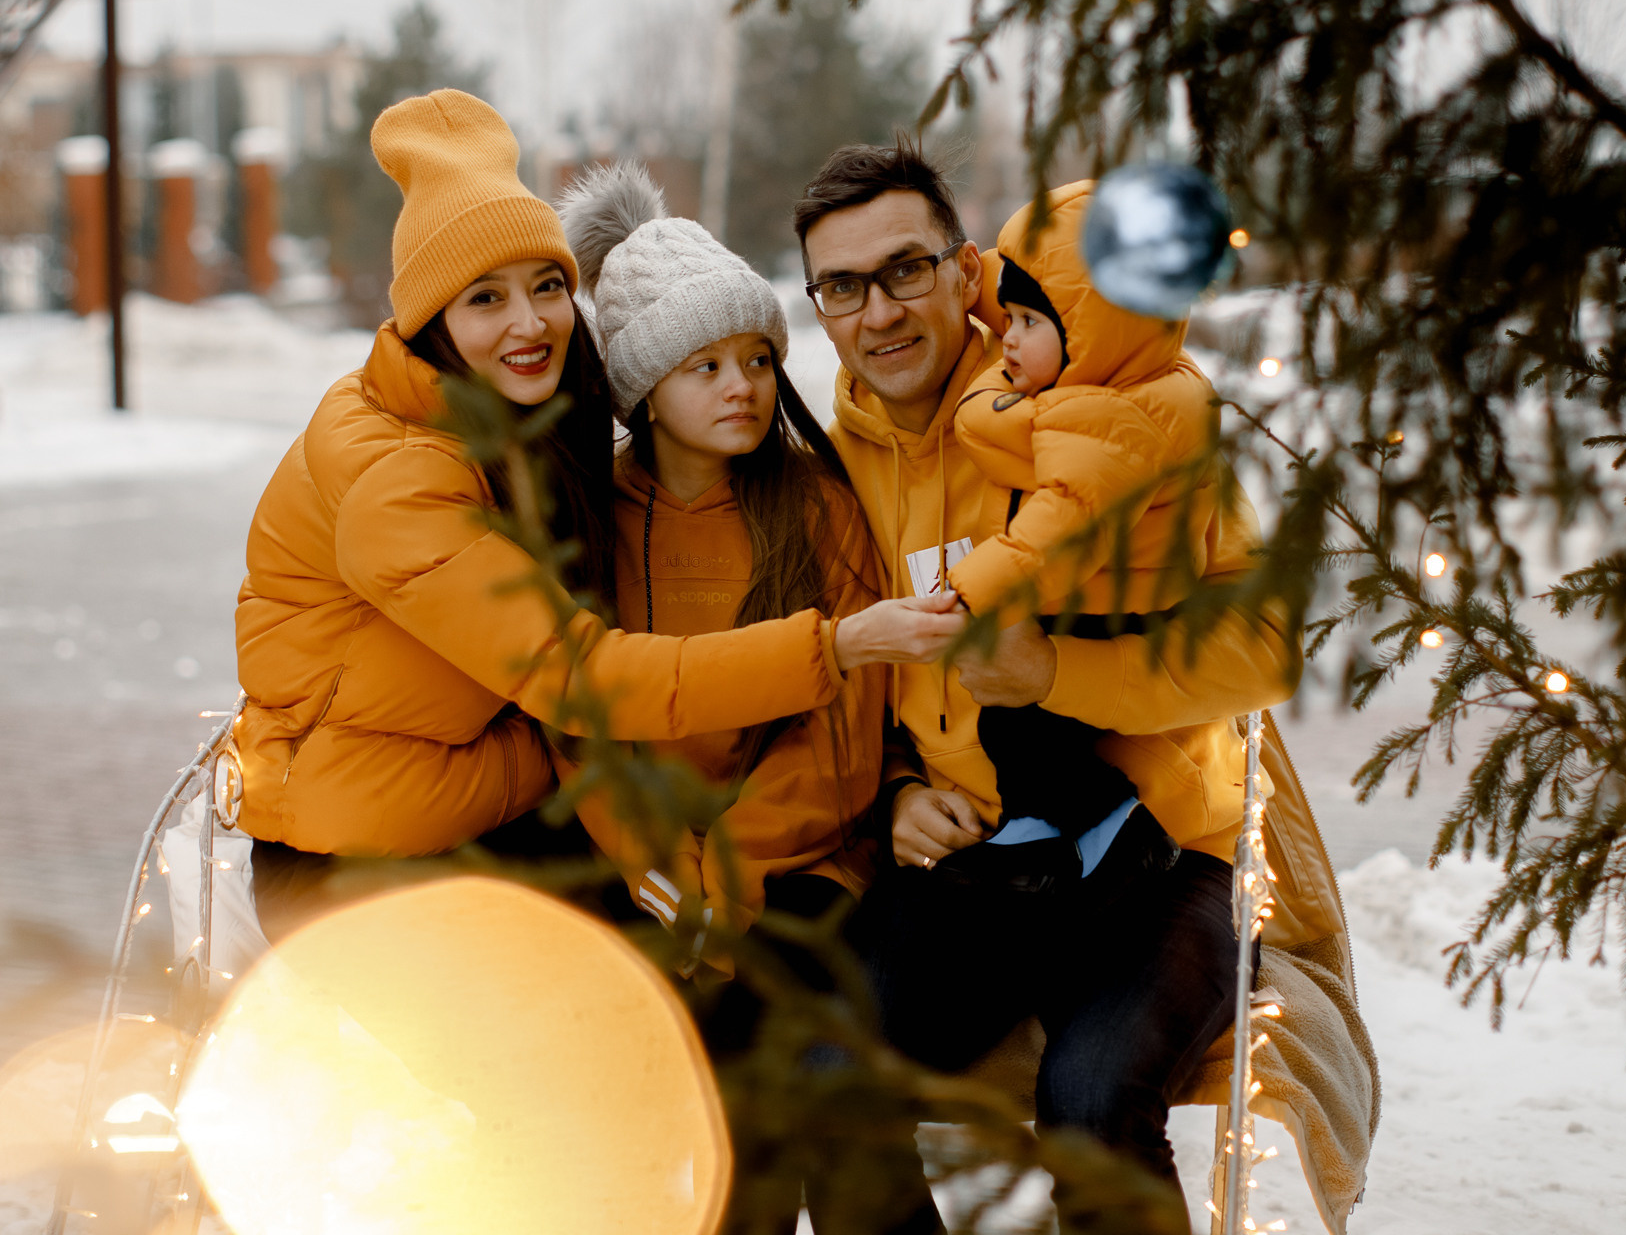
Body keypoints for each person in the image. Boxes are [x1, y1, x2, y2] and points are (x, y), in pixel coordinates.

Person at [225, 92, 961, 936]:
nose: (531, 321)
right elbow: (581, 684)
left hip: (479, 814)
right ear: (430, 320)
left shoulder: (520, 431)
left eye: (545, 286)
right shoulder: (399, 476)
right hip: (355, 859)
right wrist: (833, 645)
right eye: (485, 299)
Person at [792, 141, 1344, 1217]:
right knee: (819, 1080)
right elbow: (845, 681)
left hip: (1159, 845)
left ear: (965, 273)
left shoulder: (1111, 404)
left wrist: (1055, 670)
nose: (880, 312)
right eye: (842, 286)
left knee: (1090, 1098)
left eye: (905, 269)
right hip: (976, 861)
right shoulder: (832, 467)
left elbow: (1263, 644)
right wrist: (900, 790)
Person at [555, 162, 891, 954]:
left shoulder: (819, 507)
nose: (741, 386)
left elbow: (843, 729)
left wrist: (732, 874)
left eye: (757, 359)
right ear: (643, 389)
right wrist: (665, 870)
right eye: (705, 367)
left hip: (799, 862)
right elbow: (576, 727)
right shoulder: (592, 520)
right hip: (643, 860)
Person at [940, 180, 1232, 864]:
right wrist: (978, 279)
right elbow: (1054, 294)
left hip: (1104, 610)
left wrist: (971, 586)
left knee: (1020, 730)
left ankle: (1108, 824)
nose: (1005, 340)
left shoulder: (1103, 423)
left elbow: (1054, 529)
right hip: (1107, 595)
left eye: (1026, 324)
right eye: (1005, 318)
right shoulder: (1118, 372)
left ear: (1089, 328)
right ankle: (1050, 824)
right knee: (1028, 731)